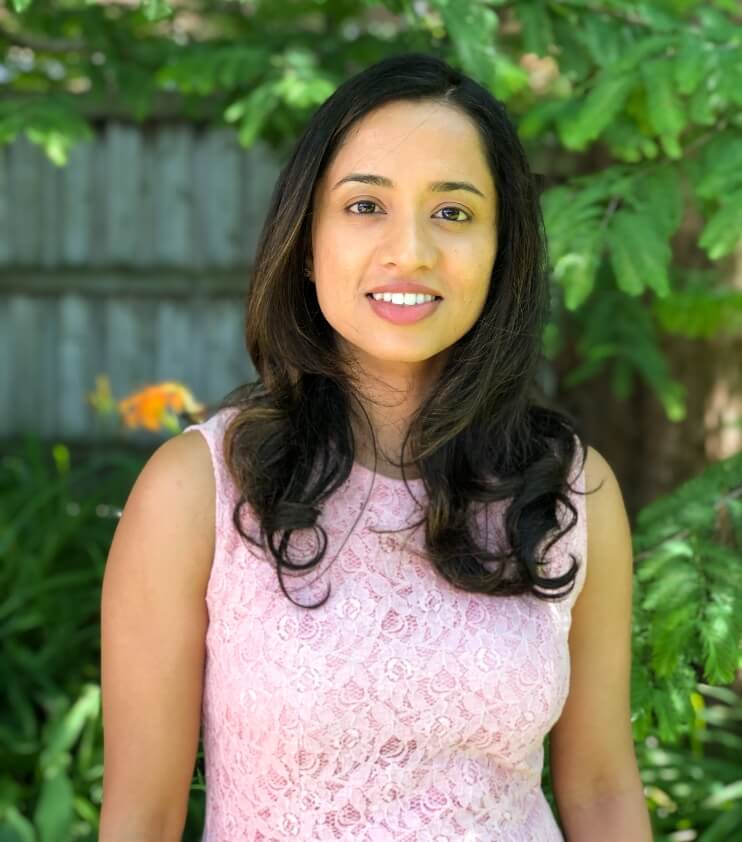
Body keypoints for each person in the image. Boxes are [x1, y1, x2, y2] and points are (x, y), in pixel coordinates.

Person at [99, 52, 652, 841]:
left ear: (503, 251)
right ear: (306, 237)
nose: (412, 252)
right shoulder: (200, 490)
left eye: (454, 213)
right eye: (365, 206)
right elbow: (143, 817)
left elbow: (599, 786)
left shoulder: (566, 489)